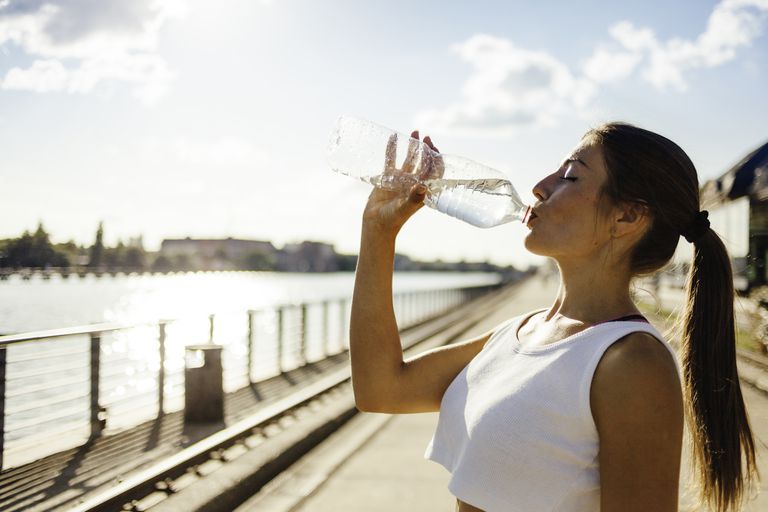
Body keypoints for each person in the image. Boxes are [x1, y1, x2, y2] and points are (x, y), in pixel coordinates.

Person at [349, 122, 758, 512]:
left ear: (627, 217)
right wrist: (378, 231)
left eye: (570, 176)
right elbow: (381, 389)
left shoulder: (631, 363)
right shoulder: (522, 332)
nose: (540, 187)